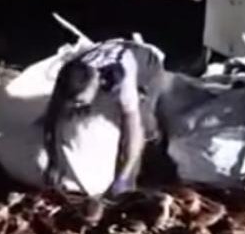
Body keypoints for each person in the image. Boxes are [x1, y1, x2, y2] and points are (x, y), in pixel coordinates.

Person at [43, 38, 165, 196]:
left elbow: (132, 136)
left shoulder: (121, 82)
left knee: (143, 124)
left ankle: (152, 154)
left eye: (80, 101)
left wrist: (123, 178)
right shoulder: (68, 74)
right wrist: (54, 161)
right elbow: (51, 117)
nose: (76, 105)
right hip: (107, 52)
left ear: (97, 83)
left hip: (146, 67)